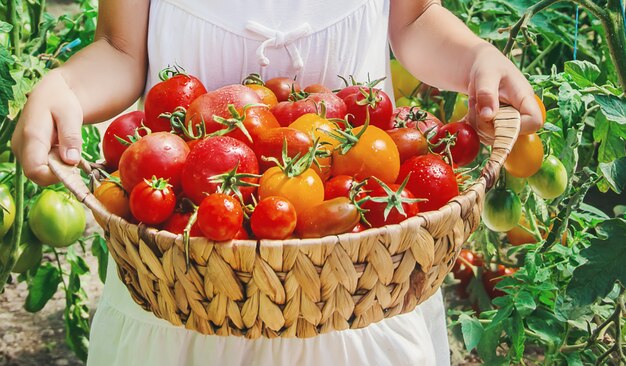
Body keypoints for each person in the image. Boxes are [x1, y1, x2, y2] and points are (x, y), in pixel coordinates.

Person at [12, 0, 543, 365]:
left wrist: (477, 58)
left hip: (355, 284)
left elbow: (416, 17)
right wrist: (63, 88)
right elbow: (119, 48)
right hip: (187, 282)